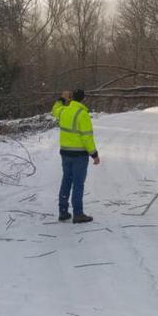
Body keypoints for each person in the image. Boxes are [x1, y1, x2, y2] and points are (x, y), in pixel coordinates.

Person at [51, 89, 100, 223]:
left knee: (66, 180)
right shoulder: (82, 114)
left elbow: (55, 109)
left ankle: (63, 212)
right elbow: (87, 137)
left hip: (65, 153)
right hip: (79, 155)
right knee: (78, 184)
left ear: (71, 98)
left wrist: (61, 98)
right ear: (84, 99)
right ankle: (78, 214)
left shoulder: (63, 110)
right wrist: (94, 154)